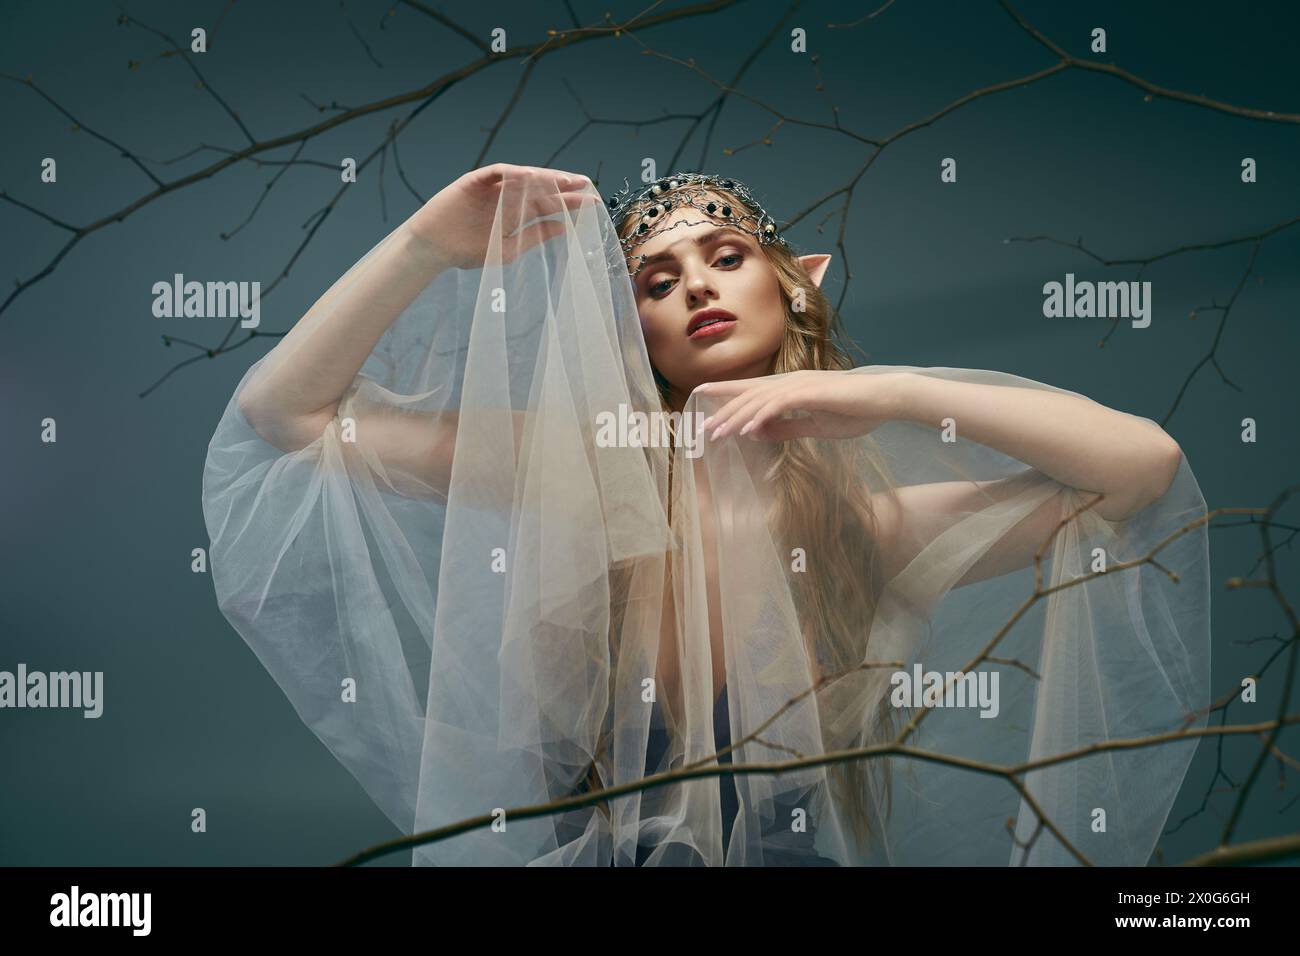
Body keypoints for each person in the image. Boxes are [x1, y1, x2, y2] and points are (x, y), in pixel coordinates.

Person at [202, 163, 1211, 866]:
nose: (695, 288)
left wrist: (890, 392)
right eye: (656, 280)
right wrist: (425, 242)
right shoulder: (577, 468)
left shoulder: (867, 527)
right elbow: (284, 413)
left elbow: (1140, 468)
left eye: (725, 257)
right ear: (621, 323)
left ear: (797, 280)